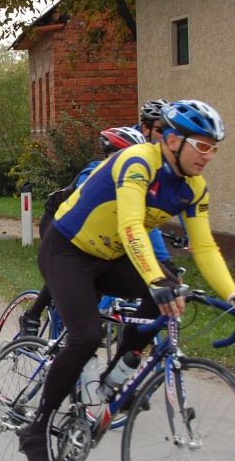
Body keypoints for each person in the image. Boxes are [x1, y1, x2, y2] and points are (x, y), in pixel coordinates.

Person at [17, 100, 234, 461]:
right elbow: (132, 225)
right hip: (68, 249)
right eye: (201, 145)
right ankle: (37, 426)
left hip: (112, 257)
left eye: (213, 147)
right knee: (86, 336)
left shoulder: (194, 188)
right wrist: (156, 278)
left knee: (163, 301)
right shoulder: (138, 162)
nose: (208, 155)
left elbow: (204, 248)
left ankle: (115, 380)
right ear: (171, 139)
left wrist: (231, 295)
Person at [18, 126, 179, 335]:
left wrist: (165, 263)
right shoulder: (94, 173)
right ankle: (32, 315)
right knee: (70, 262)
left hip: (98, 233)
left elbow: (145, 225)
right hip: (60, 220)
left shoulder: (136, 180)